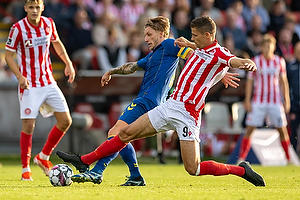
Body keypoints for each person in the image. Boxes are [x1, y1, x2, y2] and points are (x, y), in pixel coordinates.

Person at [57, 16, 266, 187]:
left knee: (194, 169)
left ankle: (241, 170)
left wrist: (244, 63)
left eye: (194, 35)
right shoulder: (197, 48)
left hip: (188, 115)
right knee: (124, 133)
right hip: (170, 105)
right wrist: (205, 59)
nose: (189, 38)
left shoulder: (217, 52)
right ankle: (85, 161)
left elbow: (231, 59)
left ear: (207, 35)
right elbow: (199, 52)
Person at [5, 0, 75, 181]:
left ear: (42, 7)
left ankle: (43, 157)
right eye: (31, 7)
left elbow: (57, 43)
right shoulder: (18, 28)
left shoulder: (49, 23)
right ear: (25, 8)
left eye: (37, 7)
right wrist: (20, 77)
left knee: (65, 121)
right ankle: (25, 168)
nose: (34, 11)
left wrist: (68, 63)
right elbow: (8, 56)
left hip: (48, 81)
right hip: (30, 84)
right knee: (29, 125)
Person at [237, 33, 291, 164]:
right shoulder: (255, 61)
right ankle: (242, 158)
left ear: (273, 47)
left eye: (269, 46)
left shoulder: (279, 61)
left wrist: (287, 100)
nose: (267, 48)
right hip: (258, 102)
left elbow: (284, 82)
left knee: (282, 129)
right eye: (265, 46)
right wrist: (247, 100)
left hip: (275, 101)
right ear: (261, 47)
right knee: (250, 129)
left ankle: (289, 159)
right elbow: (249, 82)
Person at [287, 41, 300, 155]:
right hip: (295, 105)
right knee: (293, 131)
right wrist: (289, 104)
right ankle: (294, 155)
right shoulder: (291, 67)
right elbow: (287, 86)